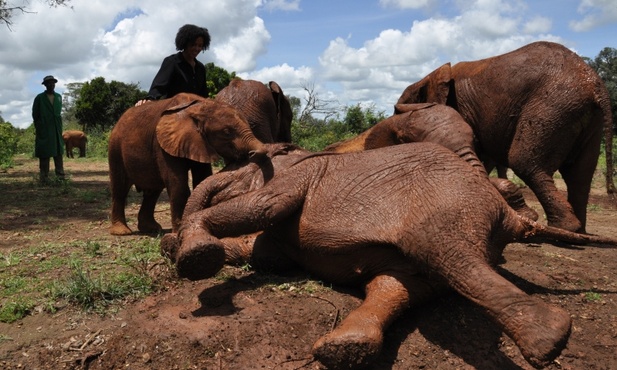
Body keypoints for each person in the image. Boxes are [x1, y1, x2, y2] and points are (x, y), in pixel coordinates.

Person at [135, 24, 211, 106]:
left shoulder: (200, 68)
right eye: (193, 45)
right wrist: (149, 100)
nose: (197, 49)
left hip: (196, 111)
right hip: (174, 111)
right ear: (185, 43)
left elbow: (204, 95)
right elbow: (158, 87)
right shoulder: (172, 62)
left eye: (200, 46)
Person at [32, 75, 65, 183]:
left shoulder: (59, 97)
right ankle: (44, 178)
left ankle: (60, 176)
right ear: (45, 85)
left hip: (56, 128)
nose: (51, 85)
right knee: (44, 153)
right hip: (44, 129)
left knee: (58, 152)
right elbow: (35, 114)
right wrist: (40, 126)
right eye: (49, 83)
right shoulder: (39, 98)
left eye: (53, 83)